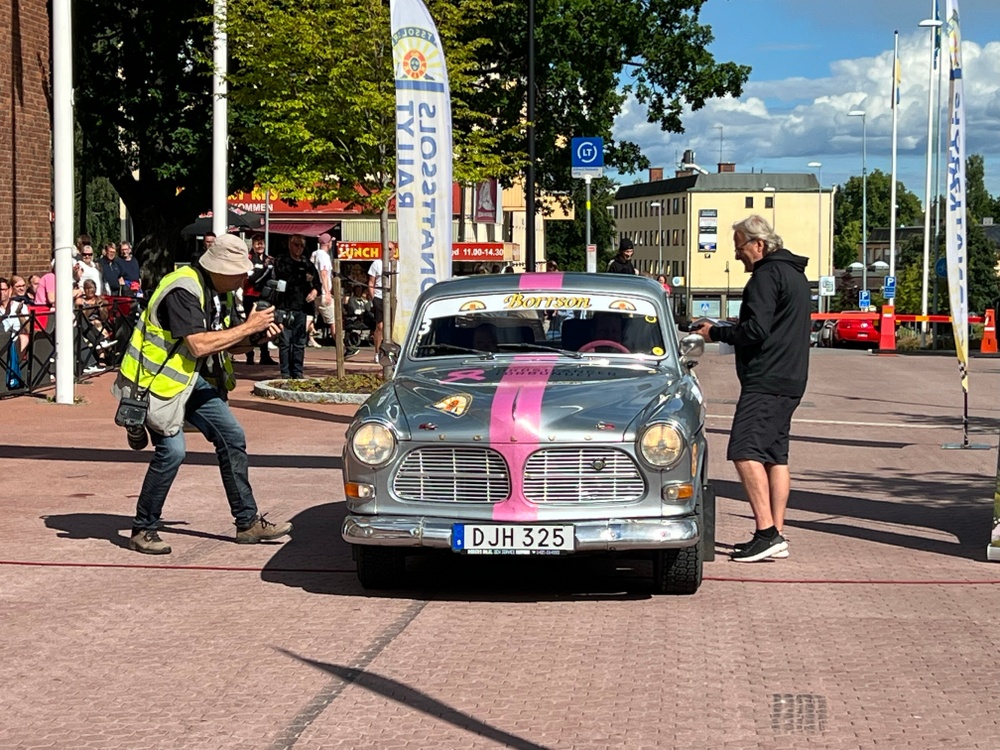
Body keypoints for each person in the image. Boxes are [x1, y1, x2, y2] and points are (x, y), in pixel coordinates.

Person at [112, 233, 292, 555]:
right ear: (220, 269)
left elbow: (223, 341)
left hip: (186, 380)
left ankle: (247, 523)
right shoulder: (183, 288)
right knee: (173, 452)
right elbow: (199, 344)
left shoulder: (215, 292)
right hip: (153, 383)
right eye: (239, 271)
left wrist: (257, 338)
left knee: (231, 434)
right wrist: (249, 328)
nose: (244, 278)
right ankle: (143, 528)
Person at [692, 215, 811, 563]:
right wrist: (734, 327)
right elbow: (770, 325)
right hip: (791, 378)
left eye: (740, 247)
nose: (738, 255)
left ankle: (767, 533)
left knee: (744, 450)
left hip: (767, 379)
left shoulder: (765, 276)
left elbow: (756, 331)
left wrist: (715, 333)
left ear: (759, 245)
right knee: (775, 455)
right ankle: (776, 532)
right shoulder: (795, 275)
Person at [273, 234, 320, 379]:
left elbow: (318, 284)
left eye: (302, 246)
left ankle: (298, 372)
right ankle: (285, 372)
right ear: (289, 244)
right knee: (285, 342)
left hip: (302, 308)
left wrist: (314, 291)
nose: (299, 248)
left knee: (299, 342)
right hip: (284, 306)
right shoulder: (281, 261)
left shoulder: (307, 264)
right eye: (296, 245)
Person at [242, 233, 276, 365]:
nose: (260, 244)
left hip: (265, 296)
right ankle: (249, 354)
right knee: (250, 325)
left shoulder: (269, 259)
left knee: (265, 325)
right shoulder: (248, 259)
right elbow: (252, 278)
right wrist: (265, 269)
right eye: (257, 242)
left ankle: (264, 355)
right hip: (250, 296)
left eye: (262, 242)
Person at [310, 233, 337, 344]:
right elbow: (324, 273)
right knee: (334, 320)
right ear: (328, 243)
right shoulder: (324, 256)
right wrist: (327, 292)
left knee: (309, 317)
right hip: (322, 291)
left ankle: (301, 337)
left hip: (314, 291)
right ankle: (342, 346)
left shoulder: (314, 254)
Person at [368, 255, 385, 363]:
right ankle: (377, 352)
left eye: (390, 249)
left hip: (394, 298)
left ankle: (391, 352)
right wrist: (373, 298)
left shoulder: (397, 264)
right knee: (380, 326)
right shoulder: (377, 263)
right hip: (379, 297)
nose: (388, 251)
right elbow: (371, 282)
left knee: (392, 327)